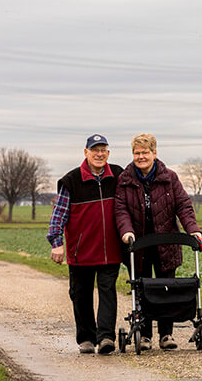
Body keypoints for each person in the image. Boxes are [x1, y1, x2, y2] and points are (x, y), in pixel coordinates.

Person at [115, 133, 202, 351]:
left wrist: (193, 230)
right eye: (137, 153)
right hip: (139, 245)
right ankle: (145, 336)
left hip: (167, 243)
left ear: (155, 153)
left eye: (145, 152)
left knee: (167, 289)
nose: (141, 156)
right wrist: (126, 232)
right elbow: (120, 210)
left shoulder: (170, 178)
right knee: (143, 289)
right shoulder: (125, 180)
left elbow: (183, 205)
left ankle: (166, 334)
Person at [46, 134, 124, 355]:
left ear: (108, 153)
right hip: (82, 251)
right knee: (81, 294)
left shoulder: (118, 175)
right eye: (94, 150)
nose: (99, 154)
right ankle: (87, 338)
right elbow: (59, 214)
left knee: (108, 291)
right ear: (86, 152)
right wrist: (56, 242)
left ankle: (106, 337)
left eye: (103, 150)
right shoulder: (71, 181)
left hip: (111, 249)